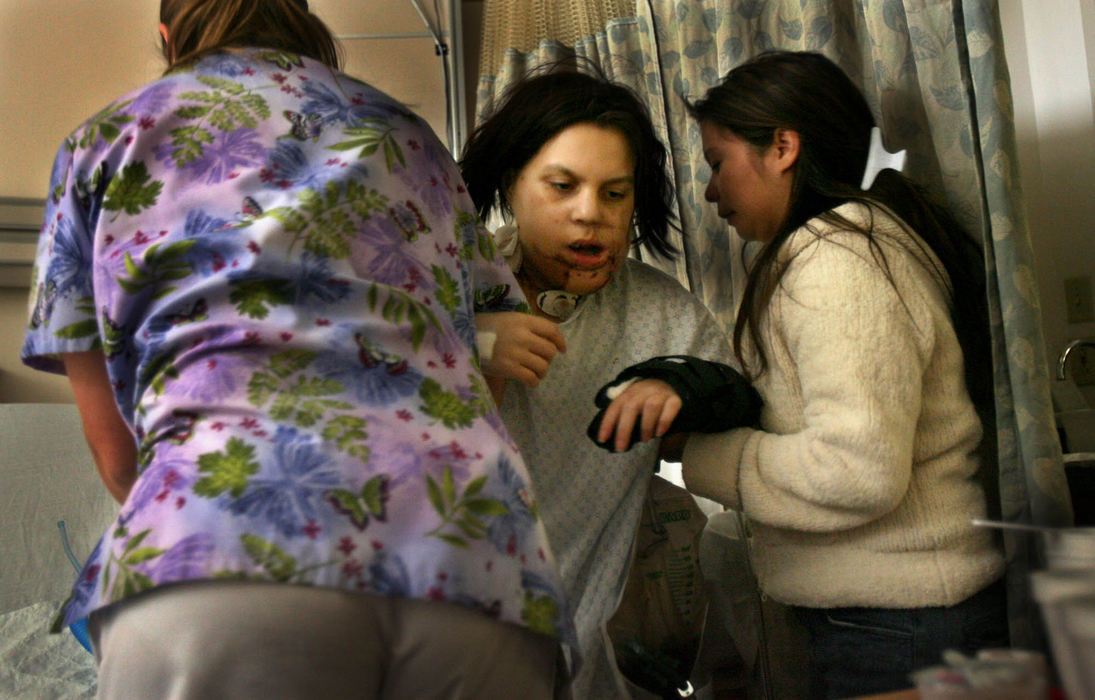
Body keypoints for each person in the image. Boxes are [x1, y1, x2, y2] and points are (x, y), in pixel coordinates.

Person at [20, 1, 577, 697]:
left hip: (221, 547)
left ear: (169, 38)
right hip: (473, 551)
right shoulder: (411, 138)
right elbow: (480, 360)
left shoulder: (102, 142)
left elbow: (115, 455)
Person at [679, 50, 1009, 699]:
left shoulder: (838, 262)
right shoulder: (847, 248)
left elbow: (856, 470)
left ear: (781, 146)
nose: (710, 190)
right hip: (898, 625)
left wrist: (701, 457)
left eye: (717, 162)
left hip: (899, 630)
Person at [460, 69, 745, 698]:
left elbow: (736, 413)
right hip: (440, 631)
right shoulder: (453, 293)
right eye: (562, 187)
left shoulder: (661, 316)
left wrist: (682, 391)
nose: (590, 214)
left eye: (615, 194)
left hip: (574, 647)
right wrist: (475, 343)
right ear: (511, 182)